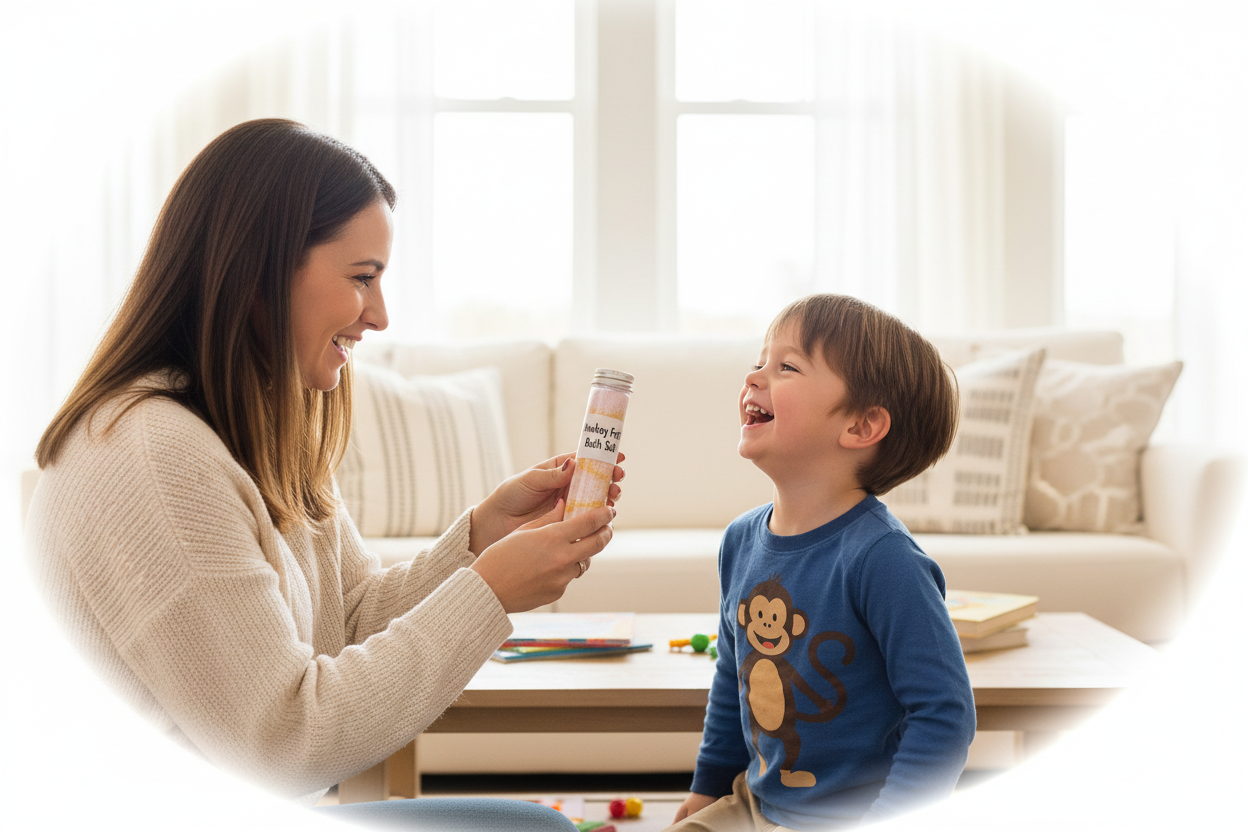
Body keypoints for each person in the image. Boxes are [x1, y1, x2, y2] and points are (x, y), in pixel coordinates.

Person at [25, 118, 621, 829]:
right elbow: (283, 744)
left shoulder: (254, 427)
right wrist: (489, 592)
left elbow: (347, 622)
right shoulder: (153, 457)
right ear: (260, 272)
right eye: (362, 278)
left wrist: (482, 541)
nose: (381, 315)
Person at [670, 294, 976, 831]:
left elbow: (944, 714)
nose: (755, 377)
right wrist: (708, 786)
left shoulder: (885, 559)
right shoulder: (740, 540)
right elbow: (733, 676)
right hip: (756, 804)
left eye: (786, 367)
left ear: (860, 426)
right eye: (759, 362)